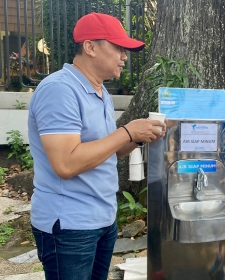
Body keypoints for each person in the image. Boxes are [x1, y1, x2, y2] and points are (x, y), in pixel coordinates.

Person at [27, 12, 165, 280]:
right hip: (69, 225)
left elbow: (106, 150)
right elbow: (66, 164)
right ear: (90, 47)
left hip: (102, 219)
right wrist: (126, 131)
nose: (124, 56)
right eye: (118, 47)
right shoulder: (60, 90)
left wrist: (138, 137)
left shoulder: (100, 92)